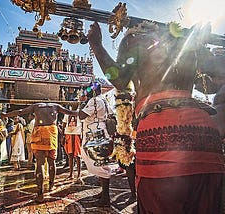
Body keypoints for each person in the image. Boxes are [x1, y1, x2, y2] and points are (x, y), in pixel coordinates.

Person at [87, 21, 225, 213]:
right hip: (206, 136)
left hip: (159, 132)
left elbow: (118, 78)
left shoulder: (134, 40)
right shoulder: (184, 43)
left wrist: (96, 44)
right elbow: (216, 72)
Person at [1, 102, 78, 203]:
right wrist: (82, 113)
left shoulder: (36, 106)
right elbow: (70, 112)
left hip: (39, 134)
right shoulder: (55, 106)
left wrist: (5, 115)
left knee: (40, 164)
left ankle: (40, 193)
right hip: (51, 135)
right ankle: (51, 186)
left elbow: (20, 111)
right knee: (51, 162)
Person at [78, 81, 116, 207]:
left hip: (94, 134)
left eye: (87, 90)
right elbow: (111, 114)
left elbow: (81, 115)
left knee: (100, 165)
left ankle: (106, 198)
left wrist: (81, 102)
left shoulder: (93, 101)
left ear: (92, 91)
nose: (86, 92)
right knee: (100, 163)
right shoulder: (103, 101)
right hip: (102, 132)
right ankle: (104, 193)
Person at [62, 114, 82, 182]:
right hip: (68, 134)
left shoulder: (79, 113)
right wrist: (63, 136)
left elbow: (83, 124)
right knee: (70, 155)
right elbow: (64, 124)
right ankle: (71, 174)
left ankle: (79, 175)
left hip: (77, 134)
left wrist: (82, 136)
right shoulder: (67, 113)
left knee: (78, 156)